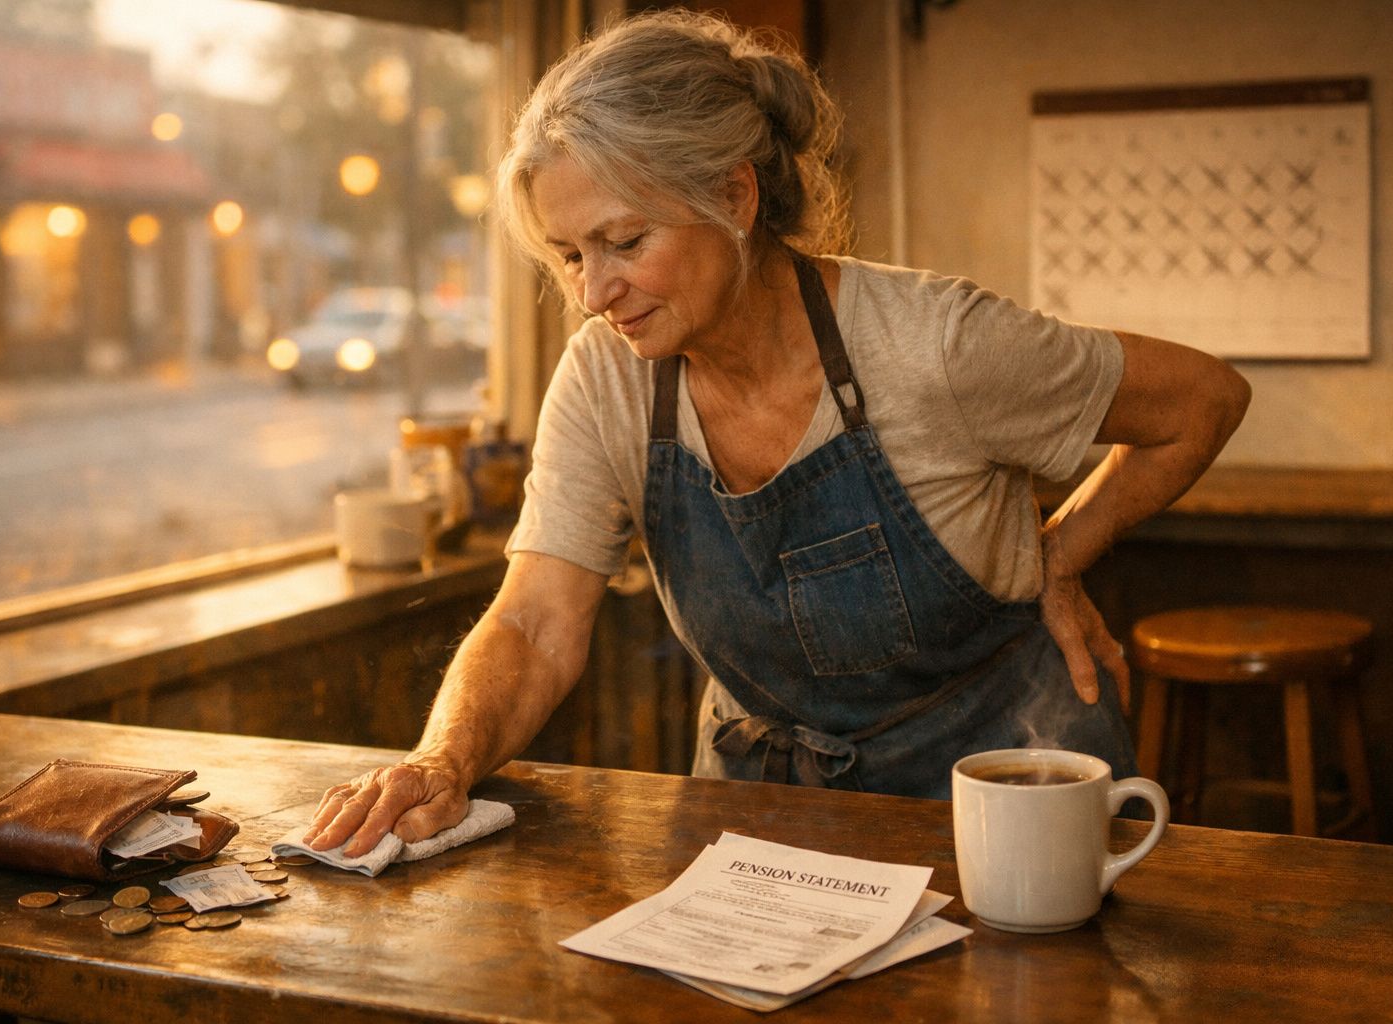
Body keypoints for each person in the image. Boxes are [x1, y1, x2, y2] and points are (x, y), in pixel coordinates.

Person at [303, 9, 1250, 857]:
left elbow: (1202, 400)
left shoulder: (935, 344)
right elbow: (535, 620)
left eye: (626, 243)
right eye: (571, 255)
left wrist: (1061, 555)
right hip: (764, 814)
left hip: (1010, 792)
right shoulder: (607, 379)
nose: (594, 292)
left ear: (737, 197)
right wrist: (442, 758)